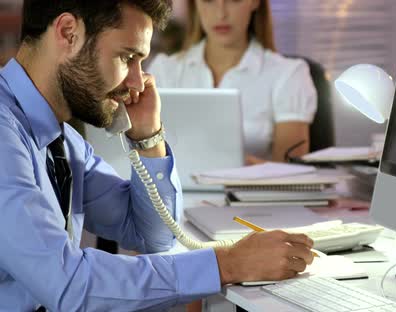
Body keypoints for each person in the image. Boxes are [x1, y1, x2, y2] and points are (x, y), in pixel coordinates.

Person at [0, 1, 314, 311]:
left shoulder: (62, 140)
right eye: (127, 57)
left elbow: (152, 236)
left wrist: (149, 137)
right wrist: (229, 264)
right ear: (69, 33)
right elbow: (70, 285)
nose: (138, 83)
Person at [148, 0, 318, 164]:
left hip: (253, 193)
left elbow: (292, 175)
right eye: (208, 0)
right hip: (177, 192)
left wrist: (243, 169)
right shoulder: (164, 71)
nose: (221, 13)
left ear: (255, 2)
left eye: (234, 0)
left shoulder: (289, 74)